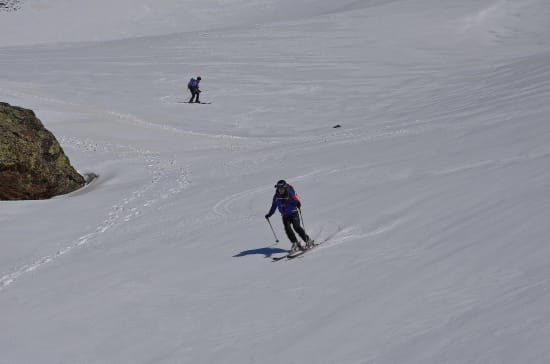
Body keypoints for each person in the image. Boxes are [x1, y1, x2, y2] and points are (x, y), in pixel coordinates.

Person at [265, 180, 313, 252]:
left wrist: (298, 204)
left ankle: (308, 240)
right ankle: (295, 243)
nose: (280, 190)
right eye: (279, 189)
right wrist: (269, 214)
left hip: (293, 213)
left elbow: (295, 199)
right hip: (285, 215)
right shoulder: (276, 197)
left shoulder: (289, 193)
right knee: (287, 229)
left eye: (282, 189)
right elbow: (273, 206)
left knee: (296, 227)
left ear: (285, 188)